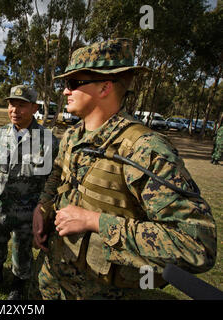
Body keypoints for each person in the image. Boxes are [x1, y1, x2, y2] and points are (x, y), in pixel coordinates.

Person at [31, 39, 217, 300]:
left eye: (73, 83)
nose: (65, 91)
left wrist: (94, 221)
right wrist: (42, 206)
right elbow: (58, 174)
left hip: (102, 291)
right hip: (54, 277)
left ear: (105, 87)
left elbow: (197, 246)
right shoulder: (73, 135)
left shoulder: (145, 149)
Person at [0, 85, 59, 300]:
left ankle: (18, 284)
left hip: (27, 210)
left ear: (34, 108)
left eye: (22, 105)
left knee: (22, 251)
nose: (15, 110)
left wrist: (43, 208)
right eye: (12, 104)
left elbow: (54, 177)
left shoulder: (48, 140)